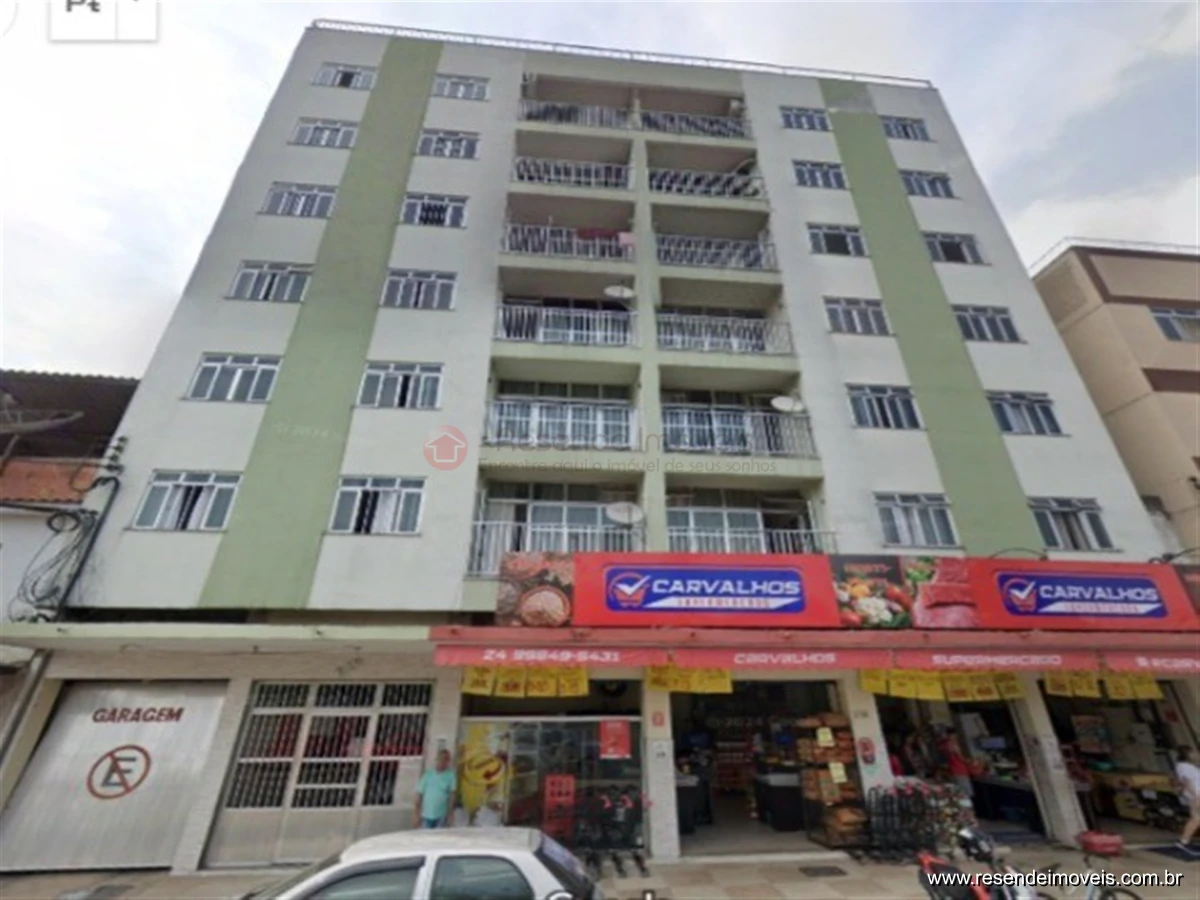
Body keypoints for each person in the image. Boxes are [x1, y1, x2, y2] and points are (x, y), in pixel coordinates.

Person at [414, 748, 458, 829]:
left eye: (446, 759)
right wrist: (416, 815)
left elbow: (452, 796)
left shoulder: (451, 775)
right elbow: (419, 795)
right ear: (437, 759)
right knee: (425, 835)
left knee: (439, 836)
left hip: (441, 815)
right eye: (441, 758)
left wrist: (450, 814)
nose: (443, 761)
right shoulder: (428, 774)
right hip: (426, 815)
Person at [1173, 747, 1200, 855]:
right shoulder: (1184, 766)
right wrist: (1196, 796)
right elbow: (1187, 781)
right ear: (1187, 754)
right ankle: (1183, 841)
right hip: (1196, 795)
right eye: (1193, 753)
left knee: (1196, 818)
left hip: (1195, 795)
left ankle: (1184, 841)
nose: (1196, 755)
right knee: (1196, 818)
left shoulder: (1187, 766)